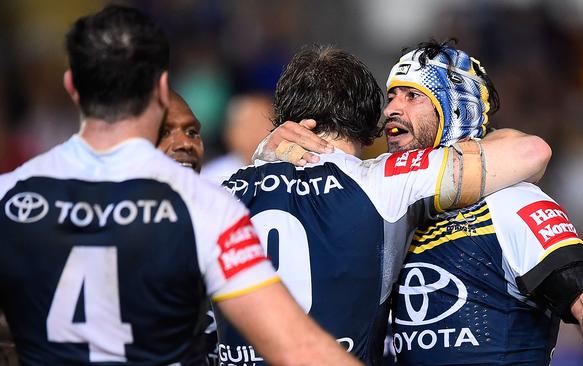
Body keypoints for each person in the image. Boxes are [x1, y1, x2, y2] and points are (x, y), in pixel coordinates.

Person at [0, 5, 360, 366]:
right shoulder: (205, 207)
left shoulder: (9, 195)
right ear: (161, 89)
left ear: (72, 86)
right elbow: (298, 348)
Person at [163, 44, 550, 366]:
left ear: (285, 118)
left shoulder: (219, 191)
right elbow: (530, 151)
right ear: (368, 122)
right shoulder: (384, 180)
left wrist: (263, 151)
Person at [258, 39, 583, 365]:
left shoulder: (513, 202)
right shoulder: (383, 205)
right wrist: (268, 146)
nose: (390, 109)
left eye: (411, 95)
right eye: (390, 97)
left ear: (456, 108)